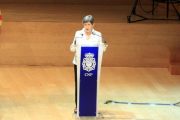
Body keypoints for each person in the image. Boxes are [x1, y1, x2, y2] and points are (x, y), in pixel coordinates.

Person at [70, 15, 104, 114]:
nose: (87, 27)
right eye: (85, 24)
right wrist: (74, 47)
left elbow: (101, 49)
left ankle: (91, 105)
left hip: (93, 65)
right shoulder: (78, 34)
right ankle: (78, 105)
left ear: (93, 25)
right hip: (79, 63)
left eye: (89, 24)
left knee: (91, 84)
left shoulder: (98, 35)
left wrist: (103, 47)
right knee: (79, 84)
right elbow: (72, 47)